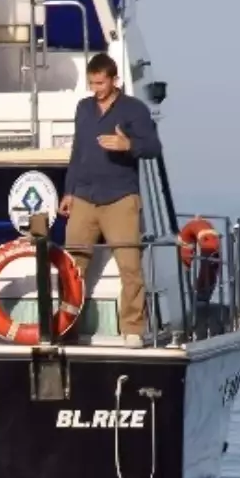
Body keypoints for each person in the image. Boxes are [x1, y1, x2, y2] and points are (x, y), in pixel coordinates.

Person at [60, 52, 162, 346]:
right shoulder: (83, 108)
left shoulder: (135, 110)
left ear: (114, 80)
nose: (96, 89)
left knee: (130, 265)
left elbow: (154, 147)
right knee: (72, 265)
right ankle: (68, 326)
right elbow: (77, 152)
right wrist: (68, 191)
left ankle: (132, 328)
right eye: (92, 83)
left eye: (101, 83)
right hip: (83, 198)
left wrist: (127, 144)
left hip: (120, 198)